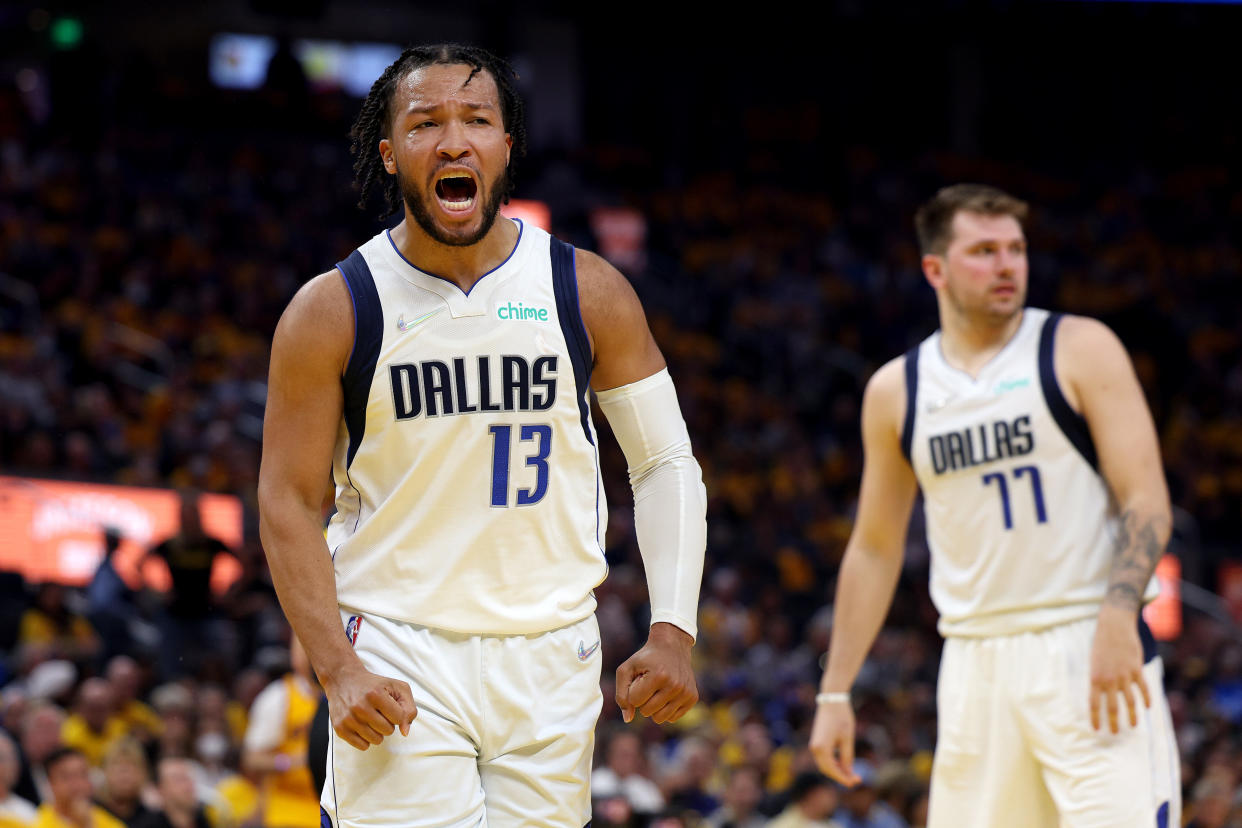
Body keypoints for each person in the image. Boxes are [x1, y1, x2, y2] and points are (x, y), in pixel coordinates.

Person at [257, 43, 707, 828]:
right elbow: (289, 500)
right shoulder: (332, 309)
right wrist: (336, 668)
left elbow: (665, 461)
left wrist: (673, 629)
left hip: (551, 653)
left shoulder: (587, 289)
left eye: (476, 119)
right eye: (426, 122)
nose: (454, 139)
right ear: (391, 154)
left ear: (507, 146)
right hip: (399, 650)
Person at [809, 184, 1181, 827]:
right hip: (974, 660)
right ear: (936, 269)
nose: (1007, 265)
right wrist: (835, 690)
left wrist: (1122, 612)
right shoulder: (898, 391)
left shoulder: (1079, 348)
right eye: (984, 251)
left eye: (1016, 249)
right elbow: (873, 547)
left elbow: (1146, 499)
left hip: (1088, 641)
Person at [241, 637, 320, 828]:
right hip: (289, 812)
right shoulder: (279, 695)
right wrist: (290, 762)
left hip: (335, 809)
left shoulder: (344, 694)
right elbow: (251, 759)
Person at [32, 748, 125, 828]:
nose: (78, 784)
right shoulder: (37, 822)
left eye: (83, 775)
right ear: (51, 784)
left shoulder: (102, 817)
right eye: (67, 777)